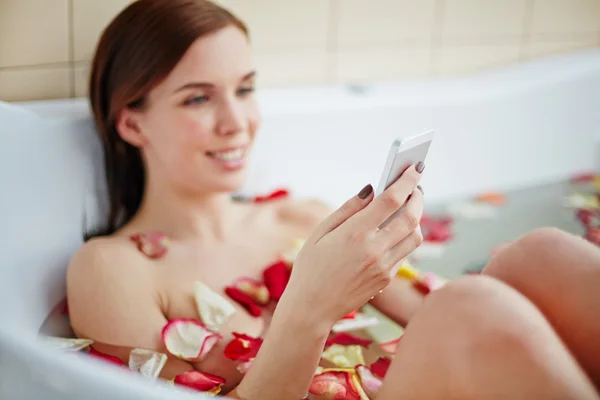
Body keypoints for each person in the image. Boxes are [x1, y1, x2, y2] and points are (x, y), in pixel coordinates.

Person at [66, 0, 600, 399]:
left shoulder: (299, 217)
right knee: (473, 306)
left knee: (536, 255)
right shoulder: (112, 269)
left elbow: (432, 311)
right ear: (132, 121)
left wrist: (400, 239)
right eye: (199, 98)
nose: (237, 123)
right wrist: (308, 307)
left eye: (246, 89)